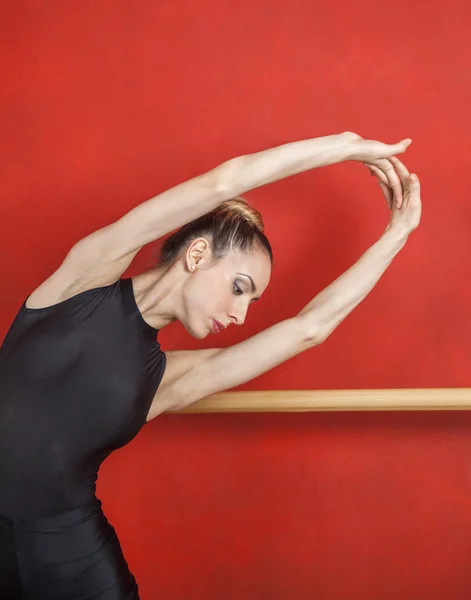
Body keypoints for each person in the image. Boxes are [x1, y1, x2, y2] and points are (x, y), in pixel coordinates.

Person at [0, 131, 421, 599]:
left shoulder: (164, 379)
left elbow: (310, 327)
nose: (240, 314)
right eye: (240, 288)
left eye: (251, 302)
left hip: (73, 561)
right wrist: (347, 146)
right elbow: (223, 183)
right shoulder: (82, 279)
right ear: (197, 254)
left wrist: (397, 235)